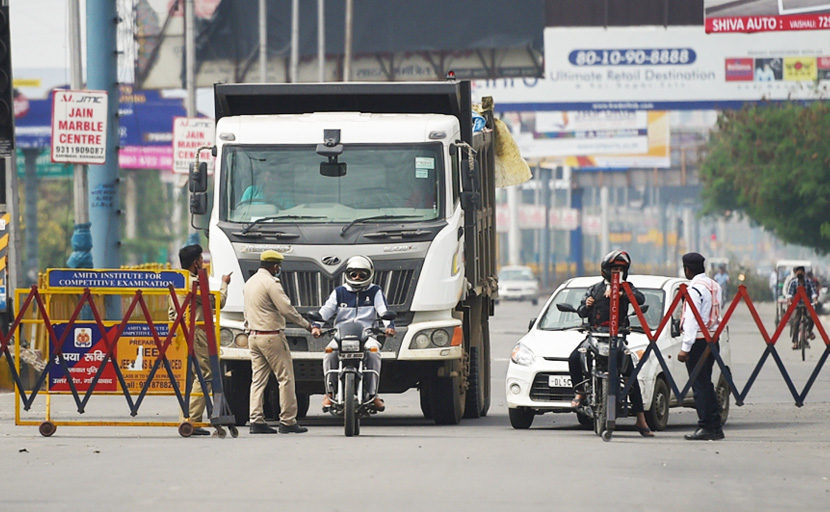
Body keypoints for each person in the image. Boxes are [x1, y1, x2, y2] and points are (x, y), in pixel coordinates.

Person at [567, 250, 653, 437]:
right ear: (605, 270)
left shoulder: (628, 287)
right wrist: (586, 305)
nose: (617, 272)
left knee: (631, 375)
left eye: (621, 269)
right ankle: (580, 392)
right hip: (595, 336)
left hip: (617, 339)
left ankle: (641, 419)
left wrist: (621, 292)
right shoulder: (594, 289)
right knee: (574, 357)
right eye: (614, 268)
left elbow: (640, 299)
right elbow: (581, 311)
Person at [312, 255, 395, 412]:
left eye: (361, 274)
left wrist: (389, 326)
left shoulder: (375, 291)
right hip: (340, 335)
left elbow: (384, 310)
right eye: (353, 274)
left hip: (367, 335)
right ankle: (329, 393)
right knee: (329, 353)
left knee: (374, 353)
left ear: (369, 274)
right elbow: (326, 310)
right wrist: (316, 326)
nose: (357, 277)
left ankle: (373, 394)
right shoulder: (339, 292)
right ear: (347, 274)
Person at [243, 250, 313, 434]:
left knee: (258, 380)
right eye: (278, 267)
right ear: (275, 266)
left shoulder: (250, 282)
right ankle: (288, 420)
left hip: (253, 335)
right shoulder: (271, 283)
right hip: (271, 336)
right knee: (285, 378)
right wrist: (307, 325)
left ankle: (256, 420)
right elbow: (286, 309)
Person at [168, 244, 231, 436]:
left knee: (190, 376)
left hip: (182, 332)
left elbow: (172, 313)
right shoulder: (193, 283)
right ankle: (192, 421)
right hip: (197, 332)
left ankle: (185, 418)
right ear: (196, 262)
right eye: (201, 260)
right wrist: (224, 284)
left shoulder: (177, 281)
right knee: (204, 375)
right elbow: (217, 302)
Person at [677, 252, 724, 441]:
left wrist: (685, 348)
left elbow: (691, 319)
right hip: (713, 339)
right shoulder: (715, 285)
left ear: (687, 269)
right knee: (706, 382)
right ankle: (715, 424)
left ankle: (705, 425)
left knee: (699, 384)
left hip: (698, 340)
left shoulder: (694, 289)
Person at [787, 265, 817, 347]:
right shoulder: (793, 283)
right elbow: (789, 294)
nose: (799, 273)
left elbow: (813, 292)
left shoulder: (809, 282)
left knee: (812, 317)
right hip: (797, 305)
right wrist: (789, 301)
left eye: (801, 272)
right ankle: (795, 342)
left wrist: (815, 300)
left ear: (804, 273)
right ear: (795, 273)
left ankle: (809, 331)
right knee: (795, 321)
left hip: (808, 305)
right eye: (797, 272)